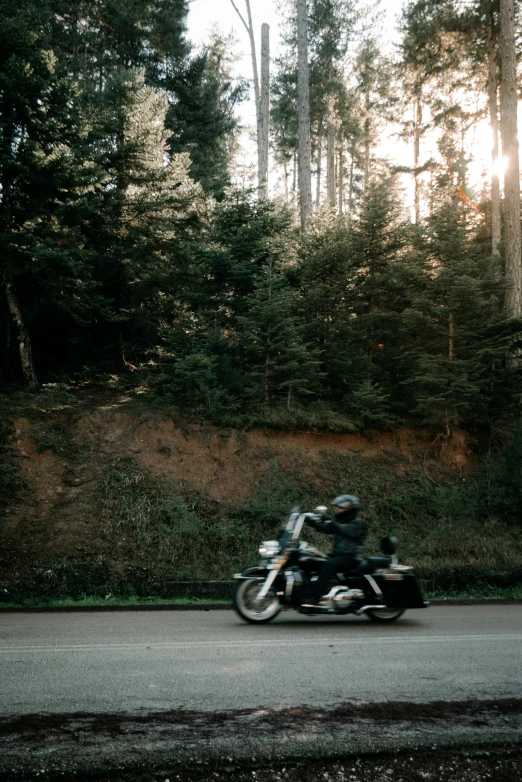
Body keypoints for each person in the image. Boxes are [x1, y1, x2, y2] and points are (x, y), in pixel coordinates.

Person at [304, 494, 367, 607]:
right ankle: (308, 591)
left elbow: (343, 529)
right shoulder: (342, 521)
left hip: (352, 557)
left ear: (350, 510)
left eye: (341, 508)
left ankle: (315, 597)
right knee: (315, 560)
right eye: (338, 508)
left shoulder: (357, 523)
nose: (338, 510)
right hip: (340, 555)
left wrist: (328, 520)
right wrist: (311, 521)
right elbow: (327, 528)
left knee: (329, 565)